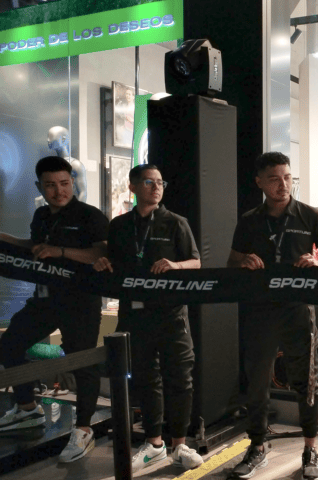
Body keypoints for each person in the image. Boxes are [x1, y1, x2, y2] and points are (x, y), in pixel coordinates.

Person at [227, 152, 318, 480]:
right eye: (275, 178)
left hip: (298, 311)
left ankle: (310, 448)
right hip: (259, 311)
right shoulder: (249, 220)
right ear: (260, 182)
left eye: (288, 177)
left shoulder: (308, 215)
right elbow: (231, 263)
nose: (283, 184)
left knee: (307, 381)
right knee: (257, 382)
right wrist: (244, 262)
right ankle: (258, 447)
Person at [93, 164, 205, 473]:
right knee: (145, 378)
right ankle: (155, 444)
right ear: (132, 187)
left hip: (171, 315)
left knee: (180, 377)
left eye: (160, 182)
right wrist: (104, 263)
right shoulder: (118, 226)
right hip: (134, 315)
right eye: (148, 182)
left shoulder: (176, 223)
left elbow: (196, 262)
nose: (156, 187)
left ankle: (180, 444)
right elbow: (114, 263)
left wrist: (176, 265)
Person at [0, 156, 108, 463]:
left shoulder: (90, 215)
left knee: (82, 363)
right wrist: (5, 239)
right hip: (44, 300)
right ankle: (27, 411)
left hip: (80, 303)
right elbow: (34, 247)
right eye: (50, 185)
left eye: (64, 184)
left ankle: (84, 430)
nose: (58, 191)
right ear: (40, 186)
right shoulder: (41, 216)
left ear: (72, 182)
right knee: (9, 345)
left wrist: (60, 251)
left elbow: (99, 254)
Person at [35, 126, 88, 208]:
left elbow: (83, 192)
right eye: (48, 137)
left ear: (63, 139)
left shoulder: (75, 165)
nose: (48, 140)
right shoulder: (52, 164)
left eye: (52, 137)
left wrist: (76, 212)